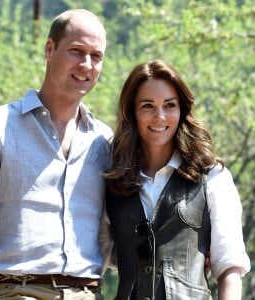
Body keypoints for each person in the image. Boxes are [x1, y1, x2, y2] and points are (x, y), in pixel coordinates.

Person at [0, 8, 112, 300]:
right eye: (77, 51)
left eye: (96, 56)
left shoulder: (105, 142)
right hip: (15, 291)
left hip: (89, 293)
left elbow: (115, 241)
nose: (87, 65)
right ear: (49, 49)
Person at [104, 59, 251, 300]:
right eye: (147, 106)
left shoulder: (212, 175)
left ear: (181, 109)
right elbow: (104, 254)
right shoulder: (114, 180)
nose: (159, 116)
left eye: (169, 105)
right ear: (132, 111)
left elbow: (230, 264)